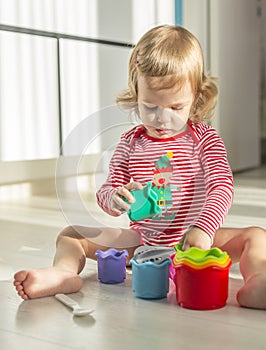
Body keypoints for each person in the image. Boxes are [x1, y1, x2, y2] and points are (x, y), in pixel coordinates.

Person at [14, 25, 266, 309]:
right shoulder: (130, 143)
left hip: (196, 241)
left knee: (256, 236)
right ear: (137, 91)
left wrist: (203, 229)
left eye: (176, 107)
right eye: (151, 107)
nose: (162, 119)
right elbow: (107, 192)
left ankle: (260, 280)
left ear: (196, 96)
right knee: (72, 234)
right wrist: (117, 197)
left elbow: (222, 187)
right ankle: (62, 273)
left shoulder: (205, 139)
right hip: (142, 242)